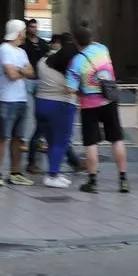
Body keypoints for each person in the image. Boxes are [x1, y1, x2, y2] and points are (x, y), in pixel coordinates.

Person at [68, 23, 129, 194]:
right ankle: (123, 180)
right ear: (91, 38)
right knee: (116, 139)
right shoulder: (103, 49)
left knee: (91, 142)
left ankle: (92, 181)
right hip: (109, 99)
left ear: (75, 41)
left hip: (89, 104)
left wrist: (81, 86)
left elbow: (71, 89)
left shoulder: (76, 61)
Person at [0, 19, 35, 186]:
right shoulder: (3, 49)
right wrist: (22, 71)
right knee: (2, 137)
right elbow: (11, 75)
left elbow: (31, 71)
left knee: (18, 137)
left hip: (21, 99)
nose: (25, 33)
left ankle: (15, 172)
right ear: (18, 32)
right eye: (24, 30)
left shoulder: (21, 52)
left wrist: (20, 71)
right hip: (6, 100)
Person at [35, 34, 80, 187]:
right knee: (61, 142)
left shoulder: (42, 63)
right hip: (61, 107)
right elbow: (75, 89)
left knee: (51, 141)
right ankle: (52, 175)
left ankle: (54, 172)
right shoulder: (69, 74)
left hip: (41, 104)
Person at [21, 18, 48, 173]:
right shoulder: (24, 44)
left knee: (40, 111)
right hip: (28, 80)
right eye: (31, 26)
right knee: (29, 111)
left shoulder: (43, 43)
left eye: (35, 26)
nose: (33, 29)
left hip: (41, 80)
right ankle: (27, 140)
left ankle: (40, 140)